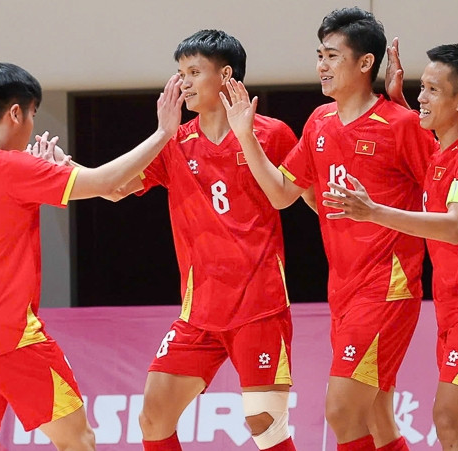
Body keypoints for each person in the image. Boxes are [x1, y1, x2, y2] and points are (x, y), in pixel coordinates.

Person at [0, 62, 183, 451]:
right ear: (16, 113)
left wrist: (42, 174)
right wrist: (164, 133)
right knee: (78, 441)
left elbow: (3, 210)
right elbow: (106, 183)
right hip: (8, 337)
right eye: (32, 114)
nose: (31, 125)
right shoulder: (10, 166)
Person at [71, 30, 299, 451]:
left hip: (259, 306)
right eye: (180, 73)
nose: (184, 82)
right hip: (199, 313)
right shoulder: (175, 140)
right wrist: (67, 171)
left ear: (226, 74)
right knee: (154, 416)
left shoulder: (272, 133)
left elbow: (294, 196)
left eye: (195, 71)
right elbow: (115, 188)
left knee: (264, 424)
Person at [220, 7, 436, 451]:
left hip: (387, 290)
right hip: (342, 291)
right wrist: (245, 135)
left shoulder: (401, 125)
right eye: (319, 54)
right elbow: (282, 193)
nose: (321, 64)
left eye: (333, 55)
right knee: (377, 417)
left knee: (341, 410)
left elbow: (446, 188)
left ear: (365, 63)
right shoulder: (319, 121)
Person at [320, 43, 458, 451]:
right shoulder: (443, 147)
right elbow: (421, 129)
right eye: (421, 87)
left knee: (450, 419)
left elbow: (454, 227)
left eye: (432, 90)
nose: (420, 97)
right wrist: (395, 95)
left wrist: (373, 212)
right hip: (456, 306)